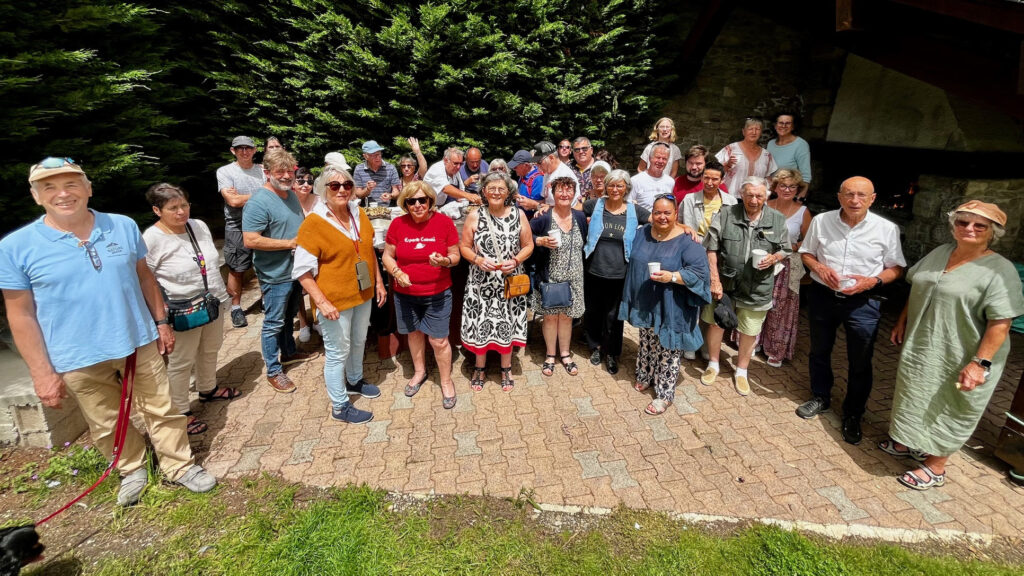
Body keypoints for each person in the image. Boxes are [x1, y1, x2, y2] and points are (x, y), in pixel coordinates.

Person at [1, 158, 215, 506]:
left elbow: (145, 277)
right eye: (50, 187)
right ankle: (132, 469)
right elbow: (20, 314)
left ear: (88, 188)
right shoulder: (15, 248)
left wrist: (161, 323)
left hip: (138, 341)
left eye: (71, 184)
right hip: (76, 356)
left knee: (163, 408)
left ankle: (180, 466)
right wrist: (42, 373)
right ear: (36, 196)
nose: (63, 194)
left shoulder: (122, 226)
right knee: (105, 421)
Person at [882, 201, 1024, 490]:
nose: (969, 229)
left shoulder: (1000, 270)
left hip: (966, 352)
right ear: (953, 226)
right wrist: (902, 320)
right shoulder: (941, 252)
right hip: (926, 343)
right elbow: (919, 286)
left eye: (979, 226)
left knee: (953, 404)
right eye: (963, 223)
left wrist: (979, 364)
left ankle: (936, 466)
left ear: (992, 232)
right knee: (915, 392)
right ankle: (910, 441)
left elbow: (1001, 322)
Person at [797, 176, 906, 445]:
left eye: (861, 195)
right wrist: (819, 268)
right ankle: (820, 397)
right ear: (839, 197)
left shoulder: (886, 229)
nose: (854, 200)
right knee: (819, 350)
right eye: (849, 194)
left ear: (872, 198)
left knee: (860, 360)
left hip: (863, 302)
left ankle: (853, 414)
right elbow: (806, 253)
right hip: (823, 295)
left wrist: (872, 281)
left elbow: (897, 267)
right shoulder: (822, 221)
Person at [143, 183, 240, 436]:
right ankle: (181, 410)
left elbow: (208, 261)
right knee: (181, 361)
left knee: (211, 347)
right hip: (181, 308)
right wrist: (159, 315)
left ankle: (208, 389)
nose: (181, 212)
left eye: (184, 205)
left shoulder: (198, 225)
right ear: (157, 210)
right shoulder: (152, 238)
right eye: (172, 208)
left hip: (211, 300)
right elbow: (145, 277)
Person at [294, 164, 386, 423]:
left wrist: (378, 283)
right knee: (337, 351)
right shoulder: (314, 222)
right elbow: (302, 271)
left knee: (358, 341)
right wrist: (321, 302)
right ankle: (339, 405)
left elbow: (368, 252)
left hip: (362, 293)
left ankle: (355, 380)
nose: (342, 190)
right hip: (334, 299)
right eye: (335, 186)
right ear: (324, 190)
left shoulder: (358, 213)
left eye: (346, 185)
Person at [619, 195, 710, 414]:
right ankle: (646, 374)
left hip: (673, 304)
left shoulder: (689, 241)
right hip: (648, 300)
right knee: (648, 340)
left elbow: (699, 274)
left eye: (667, 213)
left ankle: (664, 393)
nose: (662, 217)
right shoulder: (642, 233)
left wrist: (672, 276)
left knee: (669, 347)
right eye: (657, 212)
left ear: (676, 214)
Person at [701, 178, 790, 396]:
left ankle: (741, 371)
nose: (754, 199)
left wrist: (774, 258)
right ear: (742, 194)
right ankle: (713, 364)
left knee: (750, 331)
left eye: (759, 195)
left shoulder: (777, 219)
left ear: (766, 196)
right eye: (749, 195)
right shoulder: (726, 214)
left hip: (758, 286)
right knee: (716, 323)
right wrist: (714, 279)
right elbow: (711, 248)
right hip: (726, 283)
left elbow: (786, 248)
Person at [242, 149, 316, 394]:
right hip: (275, 273)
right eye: (280, 171)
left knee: (289, 315)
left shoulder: (290, 194)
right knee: (273, 322)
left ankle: (289, 352)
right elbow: (251, 240)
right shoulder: (258, 202)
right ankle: (273, 370)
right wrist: (289, 244)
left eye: (289, 171)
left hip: (295, 270)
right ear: (267, 172)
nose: (286, 176)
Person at [382, 182, 461, 409]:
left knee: (438, 339)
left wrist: (445, 261)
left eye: (422, 200)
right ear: (405, 204)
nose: (417, 205)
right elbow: (388, 255)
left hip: (437, 292)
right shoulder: (398, 224)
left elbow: (455, 255)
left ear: (430, 201)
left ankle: (446, 381)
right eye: (411, 201)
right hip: (405, 293)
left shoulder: (444, 223)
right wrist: (397, 272)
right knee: (414, 334)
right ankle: (420, 372)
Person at [459, 172, 534, 392]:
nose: (496, 192)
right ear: (483, 191)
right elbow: (463, 246)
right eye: (491, 188)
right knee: (482, 321)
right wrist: (477, 259)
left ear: (509, 192)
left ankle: (506, 368)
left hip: (509, 281)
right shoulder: (474, 215)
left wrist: (516, 260)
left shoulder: (519, 215)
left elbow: (529, 245)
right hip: (481, 282)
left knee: (508, 322)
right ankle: (479, 368)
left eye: (501, 189)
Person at [583, 169, 650, 374]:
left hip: (619, 272)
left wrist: (684, 227)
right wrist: (542, 209)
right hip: (594, 268)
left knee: (614, 314)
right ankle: (595, 346)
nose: (615, 189)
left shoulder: (634, 210)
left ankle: (612, 352)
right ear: (606, 186)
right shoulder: (593, 205)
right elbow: (569, 211)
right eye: (611, 184)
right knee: (593, 310)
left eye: (619, 185)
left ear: (626, 188)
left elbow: (659, 221)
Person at [678, 159, 737, 360]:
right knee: (691, 301)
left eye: (715, 179)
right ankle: (688, 342)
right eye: (706, 178)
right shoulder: (688, 200)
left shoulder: (731, 202)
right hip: (693, 256)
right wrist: (685, 228)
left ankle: (704, 344)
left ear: (722, 180)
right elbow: (678, 224)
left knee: (710, 302)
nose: (710, 182)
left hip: (719, 257)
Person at [531, 176, 588, 377]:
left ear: (574, 194)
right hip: (550, 275)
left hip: (574, 277)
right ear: (552, 194)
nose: (564, 194)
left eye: (569, 190)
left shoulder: (580, 217)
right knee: (549, 317)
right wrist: (540, 241)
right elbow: (526, 236)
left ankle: (565, 354)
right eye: (560, 191)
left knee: (566, 317)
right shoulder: (543, 217)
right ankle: (549, 355)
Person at [760, 169, 811, 367]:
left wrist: (790, 247)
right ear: (775, 187)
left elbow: (808, 241)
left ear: (798, 189)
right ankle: (754, 342)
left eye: (792, 186)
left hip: (787, 264)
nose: (787, 189)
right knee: (758, 301)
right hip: (764, 261)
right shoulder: (765, 205)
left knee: (781, 307)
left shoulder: (803, 212)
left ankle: (776, 348)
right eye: (783, 185)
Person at [216, 135, 264, 328]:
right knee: (236, 268)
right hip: (237, 225)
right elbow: (233, 201)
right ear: (233, 151)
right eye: (240, 148)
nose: (244, 151)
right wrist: (262, 194)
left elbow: (275, 192)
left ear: (254, 150)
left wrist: (245, 196)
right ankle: (236, 308)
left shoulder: (262, 171)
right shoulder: (225, 172)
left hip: (263, 224)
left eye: (248, 148)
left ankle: (265, 301)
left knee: (264, 265)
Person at [715, 118, 778, 198]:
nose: (754, 132)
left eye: (757, 129)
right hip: (732, 197)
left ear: (761, 132)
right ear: (743, 131)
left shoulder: (766, 155)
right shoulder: (731, 149)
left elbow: (768, 178)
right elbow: (717, 173)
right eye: (750, 129)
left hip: (756, 199)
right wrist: (727, 165)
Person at [291, 167, 320, 343]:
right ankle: (303, 323)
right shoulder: (289, 201)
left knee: (317, 284)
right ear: (294, 183)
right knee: (298, 289)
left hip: (316, 249)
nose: (306, 185)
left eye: (310, 181)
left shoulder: (318, 200)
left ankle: (317, 319)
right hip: (295, 248)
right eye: (301, 180)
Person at [767, 112, 812, 187]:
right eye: (781, 123)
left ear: (793, 127)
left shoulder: (800, 144)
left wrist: (800, 197)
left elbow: (806, 176)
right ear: (775, 125)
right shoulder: (770, 144)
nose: (784, 126)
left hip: (789, 192)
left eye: (788, 123)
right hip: (771, 191)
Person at [534, 140, 580, 209]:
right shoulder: (547, 173)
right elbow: (547, 201)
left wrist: (535, 205)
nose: (538, 167)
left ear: (551, 158)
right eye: (536, 164)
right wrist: (529, 203)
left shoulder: (564, 175)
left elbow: (566, 207)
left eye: (539, 163)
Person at [353, 140, 401, 205]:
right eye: (373, 155)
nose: (378, 157)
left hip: (387, 210)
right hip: (366, 210)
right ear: (365, 156)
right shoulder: (359, 169)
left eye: (379, 154)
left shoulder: (390, 168)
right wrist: (367, 189)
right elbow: (358, 194)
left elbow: (396, 192)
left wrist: (390, 195)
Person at [631, 142, 675, 211]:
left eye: (664, 159)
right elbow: (629, 206)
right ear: (650, 158)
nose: (661, 161)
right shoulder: (635, 181)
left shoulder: (670, 182)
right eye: (657, 157)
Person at [509, 149, 545, 217]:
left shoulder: (538, 180)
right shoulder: (522, 175)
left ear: (526, 165)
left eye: (516, 167)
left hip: (531, 220)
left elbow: (541, 206)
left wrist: (531, 204)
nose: (514, 169)